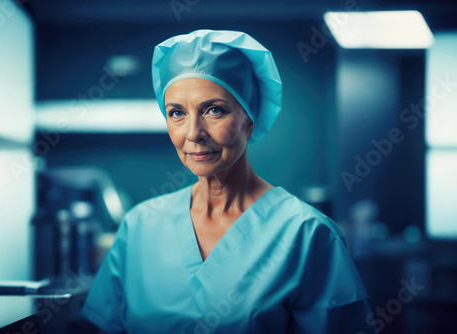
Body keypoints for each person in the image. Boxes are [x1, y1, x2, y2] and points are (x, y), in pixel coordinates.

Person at [81, 29, 375, 334]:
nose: (194, 133)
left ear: (249, 117)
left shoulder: (306, 233)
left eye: (214, 110)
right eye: (177, 113)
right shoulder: (140, 227)